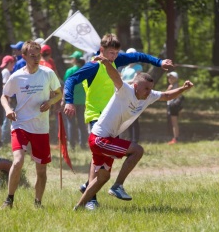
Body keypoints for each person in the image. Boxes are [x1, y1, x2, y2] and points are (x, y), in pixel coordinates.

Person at [64, 33, 174, 210]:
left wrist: (159, 62)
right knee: (97, 157)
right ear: (102, 50)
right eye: (110, 53)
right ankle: (91, 200)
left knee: (105, 156)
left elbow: (139, 56)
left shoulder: (116, 60)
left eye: (116, 53)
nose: (114, 57)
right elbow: (71, 79)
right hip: (96, 114)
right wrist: (69, 100)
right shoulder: (93, 66)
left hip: (113, 114)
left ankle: (88, 185)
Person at [73, 55, 193, 211]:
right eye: (146, 89)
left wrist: (183, 88)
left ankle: (79, 207)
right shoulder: (125, 90)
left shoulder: (148, 96)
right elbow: (115, 76)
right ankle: (118, 186)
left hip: (106, 139)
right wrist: (106, 63)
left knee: (103, 177)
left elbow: (167, 95)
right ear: (135, 85)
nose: (149, 92)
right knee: (137, 150)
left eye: (151, 88)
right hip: (99, 138)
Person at [0, 40, 62, 209]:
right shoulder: (17, 76)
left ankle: (38, 203)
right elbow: (4, 96)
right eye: (32, 55)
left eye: (38, 55)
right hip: (20, 124)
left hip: (41, 128)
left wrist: (50, 102)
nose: (36, 58)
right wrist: (7, 109)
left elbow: (59, 93)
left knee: (41, 171)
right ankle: (9, 200)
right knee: (18, 161)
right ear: (24, 56)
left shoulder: (48, 73)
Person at [64, 51, 86, 149]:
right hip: (82, 100)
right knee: (81, 122)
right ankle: (83, 144)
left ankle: (71, 145)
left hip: (71, 101)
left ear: (75, 60)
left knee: (71, 123)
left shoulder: (70, 71)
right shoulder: (86, 71)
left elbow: (66, 85)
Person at [121, 48, 143, 143]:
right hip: (124, 95)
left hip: (134, 95)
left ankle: (135, 140)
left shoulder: (138, 67)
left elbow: (135, 80)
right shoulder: (124, 68)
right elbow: (120, 79)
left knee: (134, 118)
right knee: (127, 118)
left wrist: (123, 83)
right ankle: (130, 139)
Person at [0, 55, 16, 144]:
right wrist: (8, 98)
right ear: (10, 63)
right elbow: (5, 86)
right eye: (12, 64)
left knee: (5, 119)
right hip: (5, 98)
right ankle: (3, 140)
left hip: (4, 98)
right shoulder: (6, 72)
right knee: (6, 120)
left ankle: (3, 139)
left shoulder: (4, 71)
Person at [165, 71, 184, 144]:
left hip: (173, 105)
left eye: (172, 77)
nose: (170, 79)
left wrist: (169, 89)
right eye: (169, 77)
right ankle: (175, 137)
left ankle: (175, 138)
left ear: (176, 78)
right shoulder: (173, 85)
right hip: (172, 105)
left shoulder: (174, 86)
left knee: (174, 123)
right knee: (174, 122)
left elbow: (167, 95)